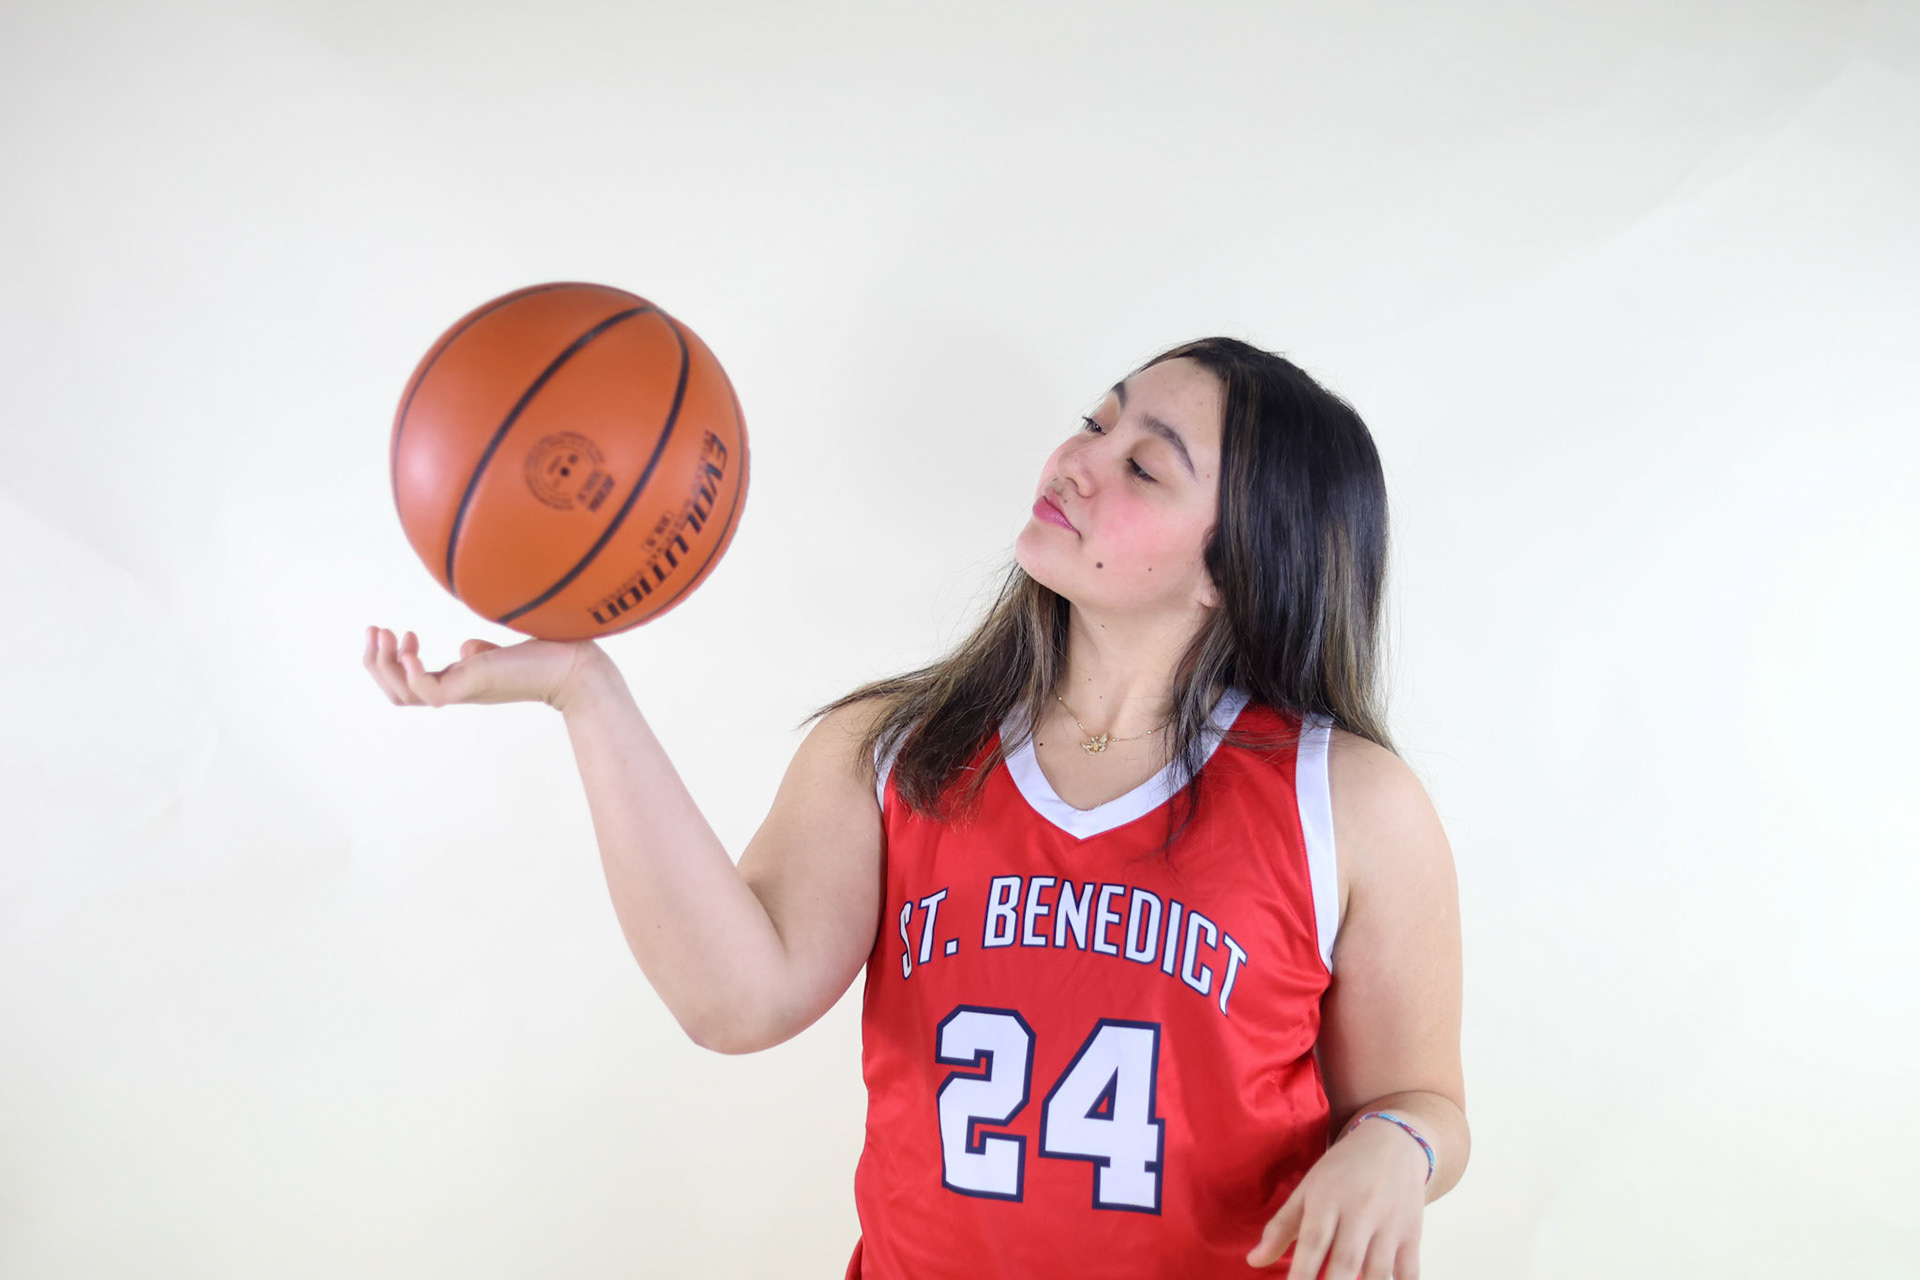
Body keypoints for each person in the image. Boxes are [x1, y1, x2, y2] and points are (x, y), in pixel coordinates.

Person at [363, 336, 1467, 1279]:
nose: (1079, 460)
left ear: (1231, 565)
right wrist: (583, 690)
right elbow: (736, 1001)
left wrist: (1396, 1143)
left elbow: (1424, 1096)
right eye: (1094, 420)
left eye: (1142, 464)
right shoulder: (894, 747)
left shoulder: (1346, 800)